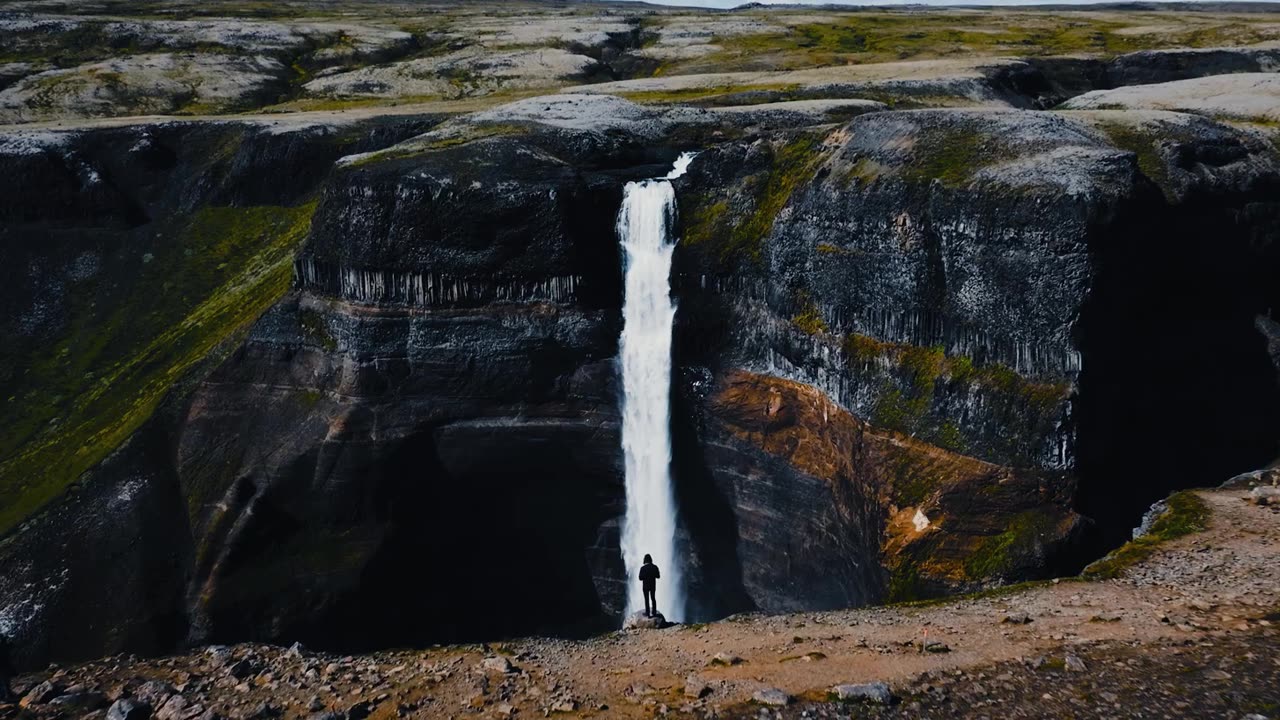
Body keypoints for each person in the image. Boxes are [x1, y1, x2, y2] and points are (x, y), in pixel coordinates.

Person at [0, 633, 14, 703]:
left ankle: (6, 695)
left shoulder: (3, 644)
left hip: (4, 664)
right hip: (4, 664)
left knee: (5, 681)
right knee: (5, 681)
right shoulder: (4, 644)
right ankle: (6, 696)